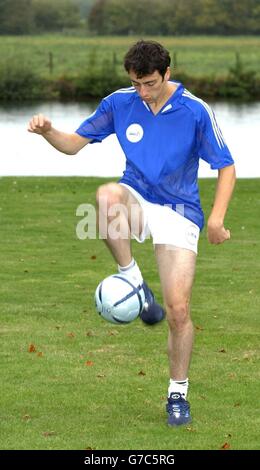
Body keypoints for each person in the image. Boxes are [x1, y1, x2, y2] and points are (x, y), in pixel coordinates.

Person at [28, 40, 236, 426]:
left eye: (150, 83)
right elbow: (73, 146)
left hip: (180, 211)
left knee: (177, 311)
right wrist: (48, 131)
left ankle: (177, 393)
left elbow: (226, 167)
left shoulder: (195, 111)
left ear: (167, 74)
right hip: (136, 197)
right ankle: (134, 281)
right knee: (106, 196)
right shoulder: (119, 102)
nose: (143, 91)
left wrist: (216, 219)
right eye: (137, 83)